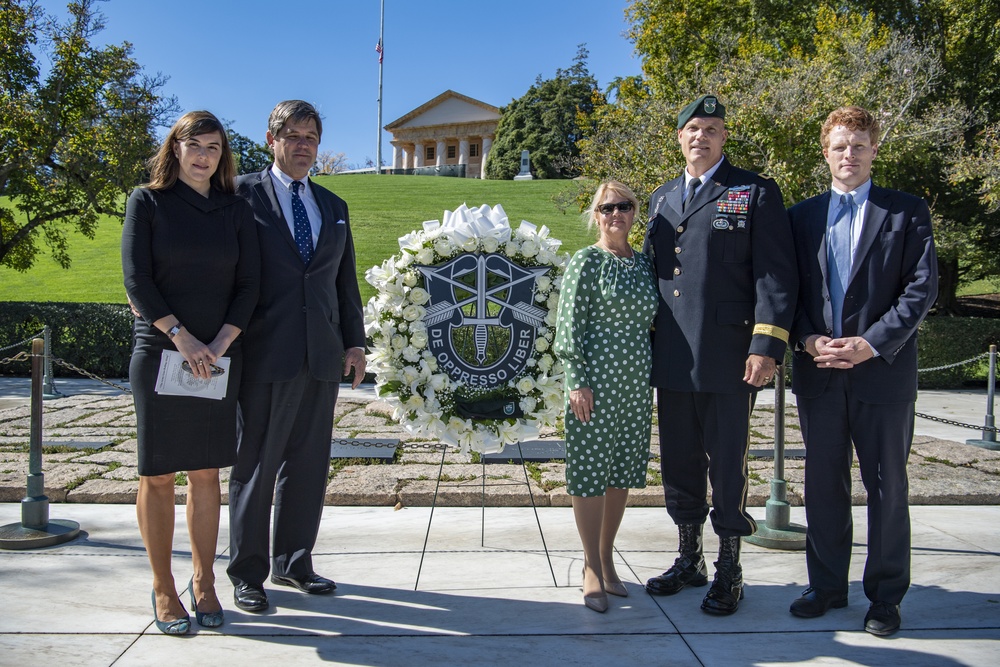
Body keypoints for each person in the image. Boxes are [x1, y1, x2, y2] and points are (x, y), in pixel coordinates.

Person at [642, 95, 797, 615]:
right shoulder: (662, 198)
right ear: (679, 136)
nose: (700, 137)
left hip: (732, 358)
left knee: (728, 464)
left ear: (724, 137)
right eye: (692, 129)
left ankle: (730, 566)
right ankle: (691, 559)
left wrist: (766, 345)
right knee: (680, 462)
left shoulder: (754, 191)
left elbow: (775, 276)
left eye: (711, 129)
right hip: (672, 357)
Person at [787, 106, 937, 637]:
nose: (848, 154)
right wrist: (807, 339)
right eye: (839, 145)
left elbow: (920, 291)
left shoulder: (907, 211)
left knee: (887, 487)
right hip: (820, 371)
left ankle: (886, 597)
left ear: (874, 150)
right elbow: (789, 292)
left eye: (859, 145)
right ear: (825, 153)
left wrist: (870, 345)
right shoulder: (800, 216)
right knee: (823, 485)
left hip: (882, 375)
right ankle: (827, 586)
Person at [122, 110, 260, 634]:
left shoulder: (235, 210)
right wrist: (183, 338)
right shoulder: (147, 202)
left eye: (215, 148)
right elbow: (137, 279)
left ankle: (204, 582)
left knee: (206, 474)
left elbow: (250, 284)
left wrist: (220, 344)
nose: (205, 156)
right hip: (161, 351)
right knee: (157, 475)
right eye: (195, 145)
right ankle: (163, 588)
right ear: (175, 148)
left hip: (219, 359)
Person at [227, 100, 367, 613]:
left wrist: (355, 342)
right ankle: (247, 573)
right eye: (293, 135)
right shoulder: (240, 194)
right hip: (263, 353)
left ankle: (294, 563)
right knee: (257, 466)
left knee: (308, 465)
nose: (303, 145)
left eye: (311, 136)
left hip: (323, 355)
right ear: (271, 140)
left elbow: (342, 281)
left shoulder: (333, 206)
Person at [554, 181, 658, 613]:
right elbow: (568, 325)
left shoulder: (645, 265)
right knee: (590, 475)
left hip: (635, 387)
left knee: (619, 474)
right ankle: (590, 566)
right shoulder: (587, 261)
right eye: (606, 207)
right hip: (593, 387)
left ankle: (608, 557)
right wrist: (577, 381)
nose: (616, 214)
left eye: (624, 206)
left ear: (635, 213)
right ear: (596, 215)